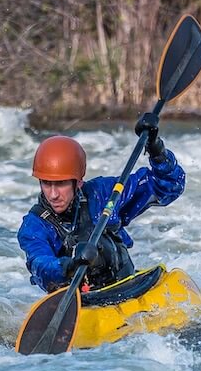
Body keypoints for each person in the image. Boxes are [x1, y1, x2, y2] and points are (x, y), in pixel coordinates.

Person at [17, 114, 185, 293]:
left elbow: (169, 186)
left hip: (126, 288)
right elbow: (39, 264)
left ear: (78, 182)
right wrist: (70, 265)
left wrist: (156, 149)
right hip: (80, 302)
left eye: (61, 184)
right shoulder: (33, 225)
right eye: (46, 183)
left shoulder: (103, 194)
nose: (53, 194)